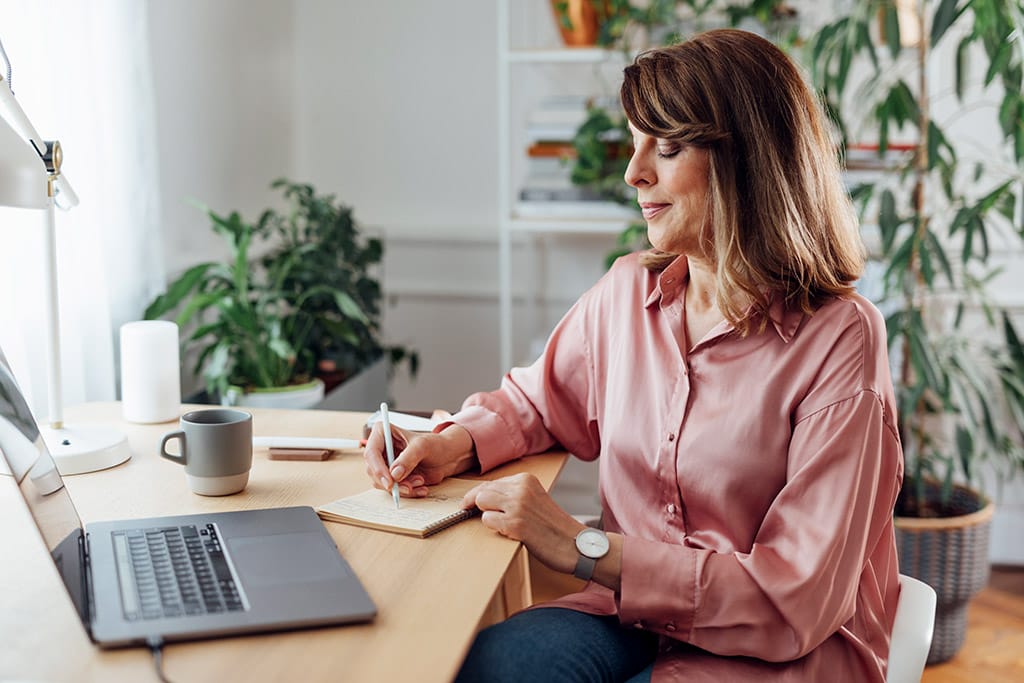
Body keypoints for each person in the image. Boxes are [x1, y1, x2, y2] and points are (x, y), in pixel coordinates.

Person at [363, 28, 903, 683]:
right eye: (636, 142)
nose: (633, 172)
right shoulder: (627, 293)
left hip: (783, 653)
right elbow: (540, 402)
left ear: (751, 162)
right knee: (495, 667)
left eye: (668, 148)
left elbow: (795, 600)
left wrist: (579, 543)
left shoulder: (842, 338)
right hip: (632, 615)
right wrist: (450, 444)